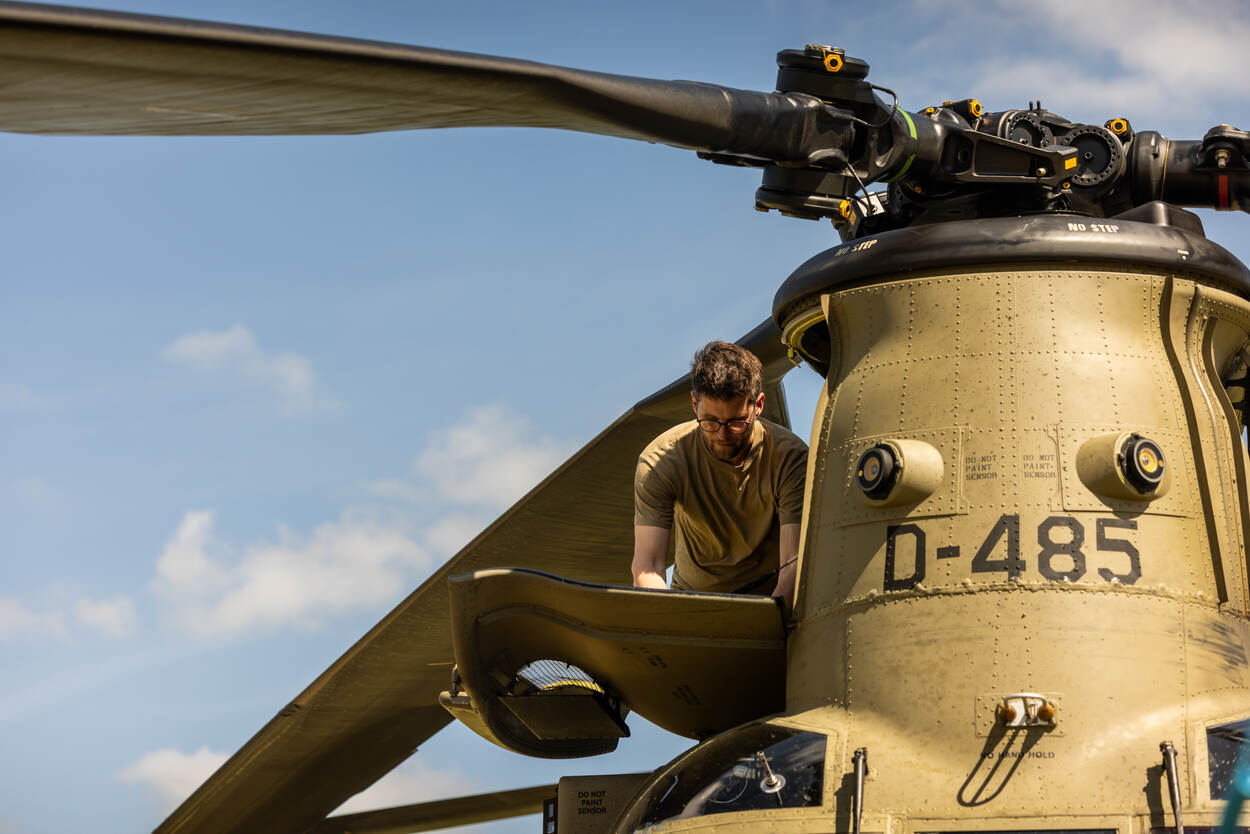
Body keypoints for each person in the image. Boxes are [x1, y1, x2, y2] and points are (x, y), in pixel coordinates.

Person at [631, 340, 808, 614]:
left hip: (770, 606)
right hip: (690, 606)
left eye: (736, 422)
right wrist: (668, 620)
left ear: (759, 405)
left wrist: (767, 622)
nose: (722, 435)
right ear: (694, 404)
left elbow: (793, 565)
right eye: (710, 421)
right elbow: (648, 566)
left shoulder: (790, 459)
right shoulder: (660, 462)